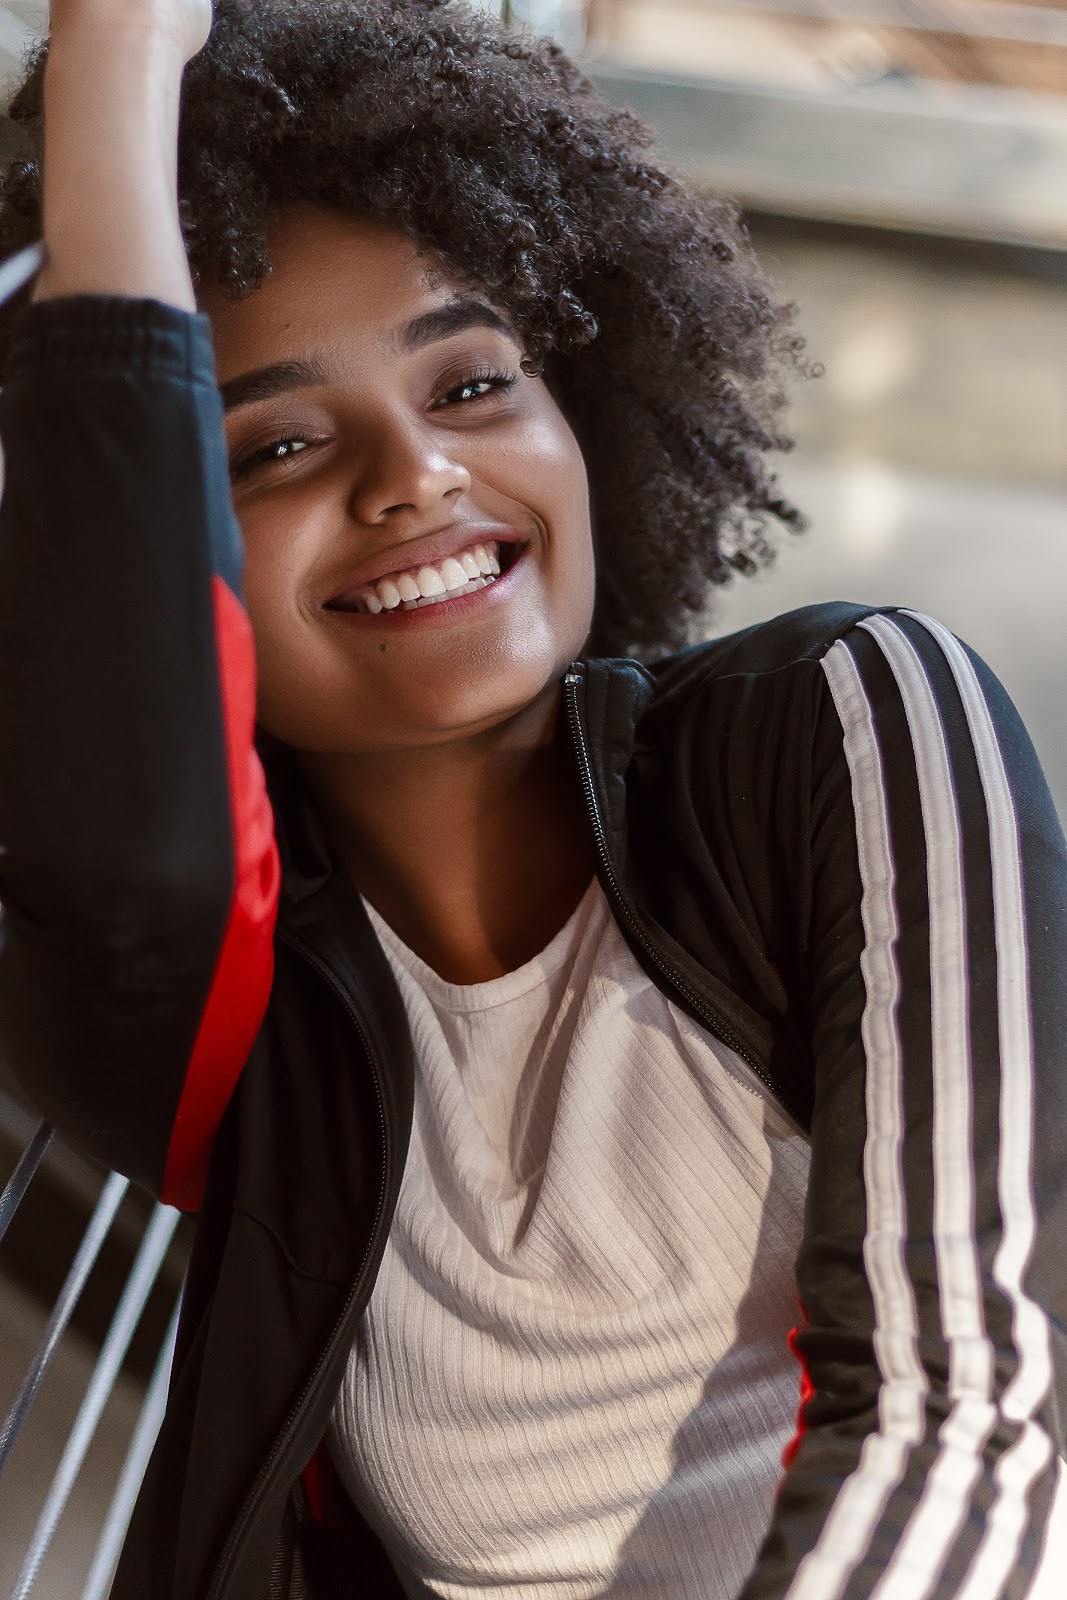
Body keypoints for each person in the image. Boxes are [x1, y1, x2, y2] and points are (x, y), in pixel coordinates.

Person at [0, 2, 1064, 1597]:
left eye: (477, 382)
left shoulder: (842, 721)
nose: (416, 472)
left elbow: (980, 1405)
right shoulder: (241, 1048)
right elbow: (120, 778)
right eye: (277, 445)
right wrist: (121, 60)